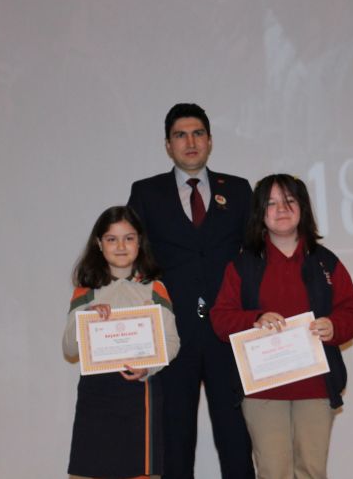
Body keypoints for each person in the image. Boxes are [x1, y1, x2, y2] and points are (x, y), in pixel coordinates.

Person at [127, 103, 255, 479]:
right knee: (175, 444)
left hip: (227, 334)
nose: (191, 142)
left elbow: (254, 258)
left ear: (210, 140)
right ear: (168, 145)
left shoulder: (238, 190)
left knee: (236, 441)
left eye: (198, 133)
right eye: (180, 135)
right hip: (172, 336)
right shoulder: (146, 192)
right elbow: (133, 264)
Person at [211, 174, 353, 479]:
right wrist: (253, 319)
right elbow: (220, 318)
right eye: (271, 203)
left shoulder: (325, 261)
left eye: (289, 201)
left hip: (316, 386)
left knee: (311, 470)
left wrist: (334, 326)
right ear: (260, 213)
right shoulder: (242, 265)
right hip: (262, 389)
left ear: (303, 208)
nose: (281, 209)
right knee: (273, 471)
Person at [62, 206, 180, 479]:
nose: (121, 246)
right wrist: (86, 317)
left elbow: (172, 342)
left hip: (141, 396)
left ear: (140, 241)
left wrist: (148, 368)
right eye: (111, 239)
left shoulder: (155, 288)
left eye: (128, 238)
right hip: (97, 396)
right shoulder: (86, 290)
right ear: (99, 243)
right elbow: (68, 349)